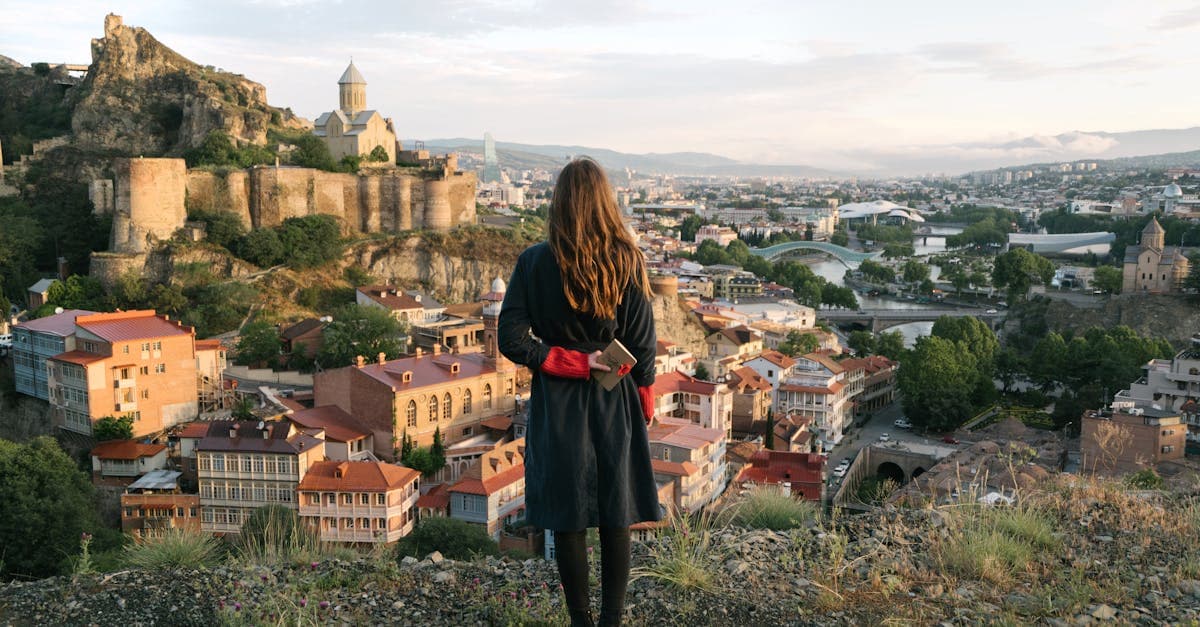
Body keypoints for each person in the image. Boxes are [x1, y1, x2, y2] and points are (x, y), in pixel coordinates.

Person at [498, 157, 661, 627]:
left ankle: (581, 620)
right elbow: (641, 343)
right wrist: (643, 398)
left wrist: (563, 362)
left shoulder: (533, 261)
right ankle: (612, 619)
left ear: (559, 202)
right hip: (615, 396)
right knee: (616, 511)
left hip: (558, 401)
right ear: (605, 201)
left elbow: (511, 338)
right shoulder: (627, 258)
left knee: (567, 513)